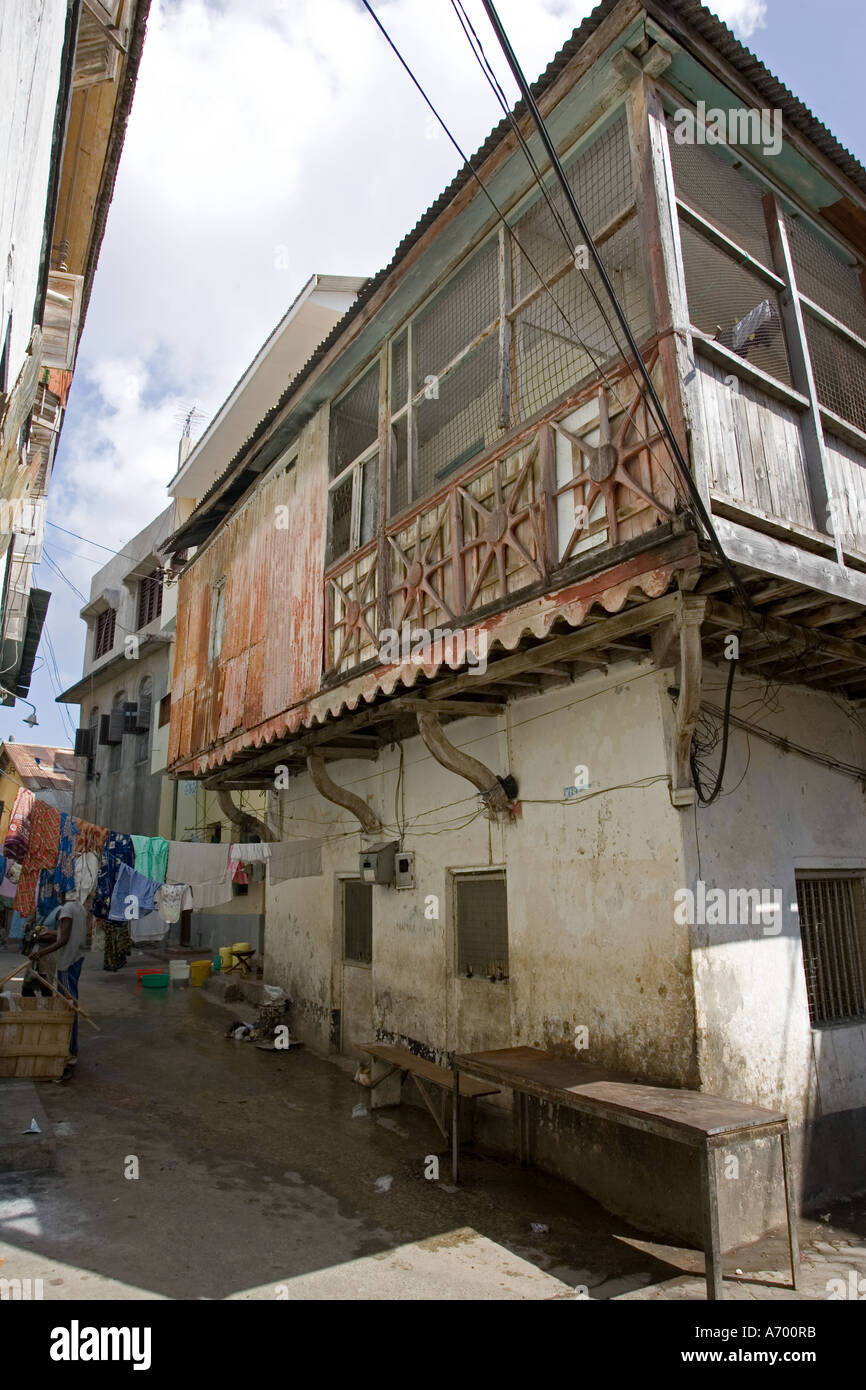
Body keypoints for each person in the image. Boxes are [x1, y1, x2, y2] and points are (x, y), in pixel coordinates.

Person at [28, 895, 87, 1074]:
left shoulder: (67, 910)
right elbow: (66, 934)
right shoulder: (79, 907)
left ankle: (70, 1051)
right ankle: (68, 1046)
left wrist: (41, 953)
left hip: (67, 963)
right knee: (69, 1002)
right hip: (76, 958)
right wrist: (52, 933)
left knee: (69, 1004)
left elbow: (64, 939)